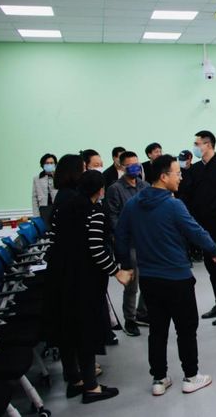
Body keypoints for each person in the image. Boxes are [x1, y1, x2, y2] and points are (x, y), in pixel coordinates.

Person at [115, 155, 216, 396]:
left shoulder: (133, 204)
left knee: (157, 330)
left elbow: (120, 236)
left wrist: (126, 265)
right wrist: (215, 252)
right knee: (186, 328)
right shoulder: (173, 205)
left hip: (149, 279)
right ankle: (191, 376)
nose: (180, 177)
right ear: (163, 177)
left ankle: (159, 379)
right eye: (177, 173)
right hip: (177, 278)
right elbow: (195, 231)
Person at [45, 170, 131, 404]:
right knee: (86, 332)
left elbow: (53, 238)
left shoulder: (62, 208)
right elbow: (96, 249)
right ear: (100, 190)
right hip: (84, 281)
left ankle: (75, 380)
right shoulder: (95, 212)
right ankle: (92, 387)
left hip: (59, 277)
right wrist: (117, 271)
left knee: (67, 329)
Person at [182, 130, 216, 326]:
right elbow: (187, 193)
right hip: (201, 225)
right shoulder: (195, 169)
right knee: (210, 267)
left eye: (197, 144)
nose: (195, 147)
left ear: (208, 145)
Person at [104, 151, 150, 337]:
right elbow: (112, 216)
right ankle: (130, 319)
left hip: (147, 241)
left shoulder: (145, 186)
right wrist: (123, 234)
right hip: (129, 242)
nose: (135, 168)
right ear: (122, 167)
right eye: (130, 165)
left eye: (136, 164)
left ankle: (142, 313)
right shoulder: (115, 189)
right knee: (132, 283)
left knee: (149, 279)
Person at [32, 153, 58, 219]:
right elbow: (34, 197)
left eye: (51, 163)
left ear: (55, 164)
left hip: (57, 207)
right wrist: (36, 215)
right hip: (43, 208)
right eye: (47, 163)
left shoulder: (59, 177)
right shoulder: (37, 178)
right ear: (43, 165)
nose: (49, 165)